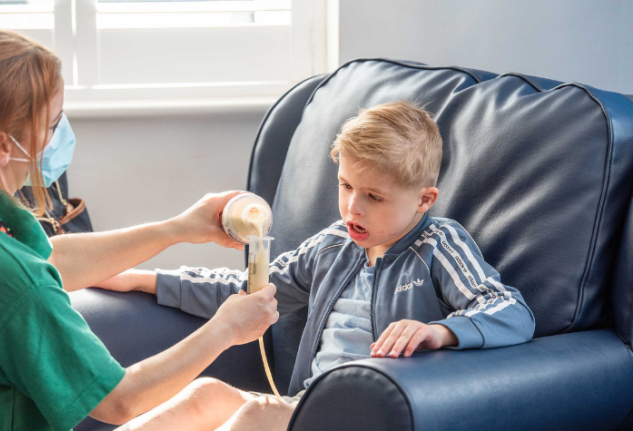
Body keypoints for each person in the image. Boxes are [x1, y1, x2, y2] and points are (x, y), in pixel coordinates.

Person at [0, 29, 278, 431]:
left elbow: (49, 260)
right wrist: (226, 329)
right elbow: (120, 400)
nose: (59, 135)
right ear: (2, 146)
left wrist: (179, 228)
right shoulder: (6, 276)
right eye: (51, 125)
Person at [103, 101, 536, 431]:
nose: (353, 208)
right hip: (310, 408)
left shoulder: (439, 244)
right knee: (206, 394)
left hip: (374, 417)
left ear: (424, 200)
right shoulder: (333, 245)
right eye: (346, 186)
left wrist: (440, 331)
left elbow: (509, 310)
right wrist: (144, 280)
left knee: (254, 413)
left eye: (374, 197)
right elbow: (251, 291)